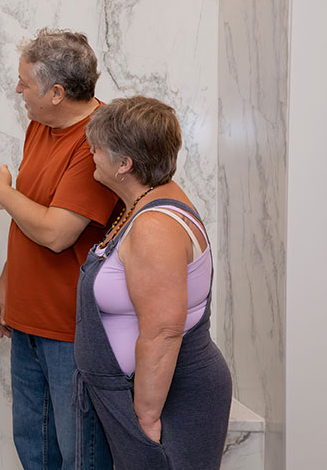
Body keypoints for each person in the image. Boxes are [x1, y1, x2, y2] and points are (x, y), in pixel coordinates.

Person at [0, 28, 117, 470]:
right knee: (34, 452)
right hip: (28, 322)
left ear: (57, 92)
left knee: (79, 457)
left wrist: (0, 192)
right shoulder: (40, 124)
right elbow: (29, 215)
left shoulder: (102, 140)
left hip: (71, 332)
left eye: (24, 83)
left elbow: (57, 232)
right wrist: (8, 282)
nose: (17, 90)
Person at [74, 96, 232, 469]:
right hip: (150, 396)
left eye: (96, 148)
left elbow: (162, 331)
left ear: (124, 164)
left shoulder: (154, 227)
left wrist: (144, 419)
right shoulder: (152, 200)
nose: (90, 155)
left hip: (167, 400)